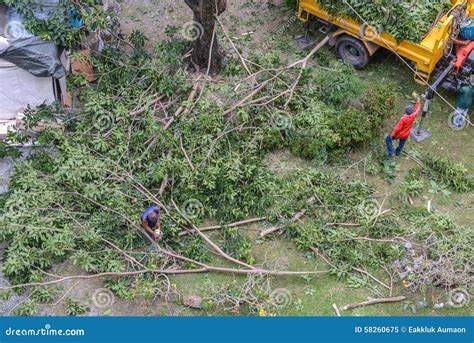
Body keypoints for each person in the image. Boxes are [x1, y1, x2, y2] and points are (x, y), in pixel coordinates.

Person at [386, 92, 421, 158]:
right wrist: (418, 100)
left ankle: (390, 153)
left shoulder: (403, 119)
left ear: (405, 111)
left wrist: (392, 134)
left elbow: (397, 128)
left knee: (388, 138)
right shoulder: (413, 116)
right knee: (401, 143)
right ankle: (397, 153)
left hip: (399, 134)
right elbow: (417, 109)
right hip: (406, 134)